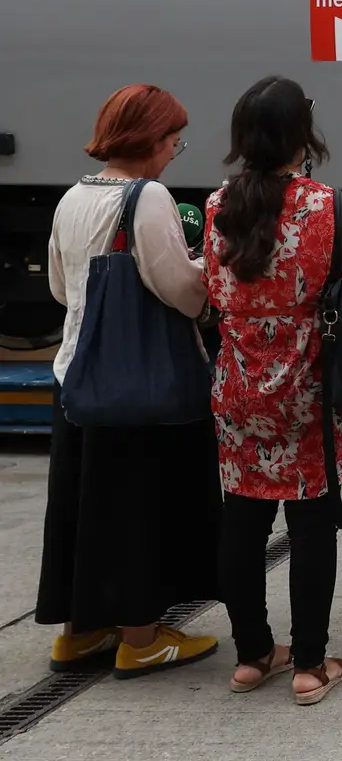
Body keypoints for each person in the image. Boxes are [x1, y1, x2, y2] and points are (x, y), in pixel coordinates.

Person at [204, 78, 342, 705]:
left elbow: (214, 294)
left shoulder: (216, 208)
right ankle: (311, 665)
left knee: (243, 519)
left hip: (238, 390)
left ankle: (251, 655)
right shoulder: (332, 209)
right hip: (311, 393)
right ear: (300, 136)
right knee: (312, 526)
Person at [37, 84, 223, 678]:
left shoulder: (70, 198)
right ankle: (142, 638)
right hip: (139, 390)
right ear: (147, 141)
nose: (174, 151)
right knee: (141, 506)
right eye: (172, 140)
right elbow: (181, 291)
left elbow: (61, 290)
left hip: (78, 379)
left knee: (85, 506)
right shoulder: (148, 199)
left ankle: (79, 632)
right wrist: (205, 275)